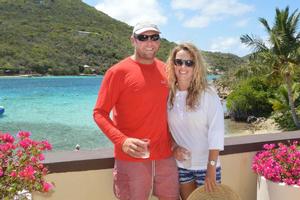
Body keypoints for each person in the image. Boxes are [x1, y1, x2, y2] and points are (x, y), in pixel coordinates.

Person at [93, 22, 179, 200]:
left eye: (154, 37)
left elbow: (174, 109)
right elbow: (99, 113)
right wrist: (122, 141)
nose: (149, 42)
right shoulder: (117, 72)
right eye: (143, 37)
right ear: (133, 40)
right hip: (132, 157)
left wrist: (176, 141)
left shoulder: (167, 70)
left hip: (166, 156)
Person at [166, 43, 224, 200]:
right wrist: (173, 146)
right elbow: (165, 128)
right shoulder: (169, 95)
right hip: (182, 166)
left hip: (206, 166)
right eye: (179, 62)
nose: (183, 67)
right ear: (173, 64)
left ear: (196, 66)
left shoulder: (208, 94)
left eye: (189, 63)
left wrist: (211, 168)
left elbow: (216, 131)